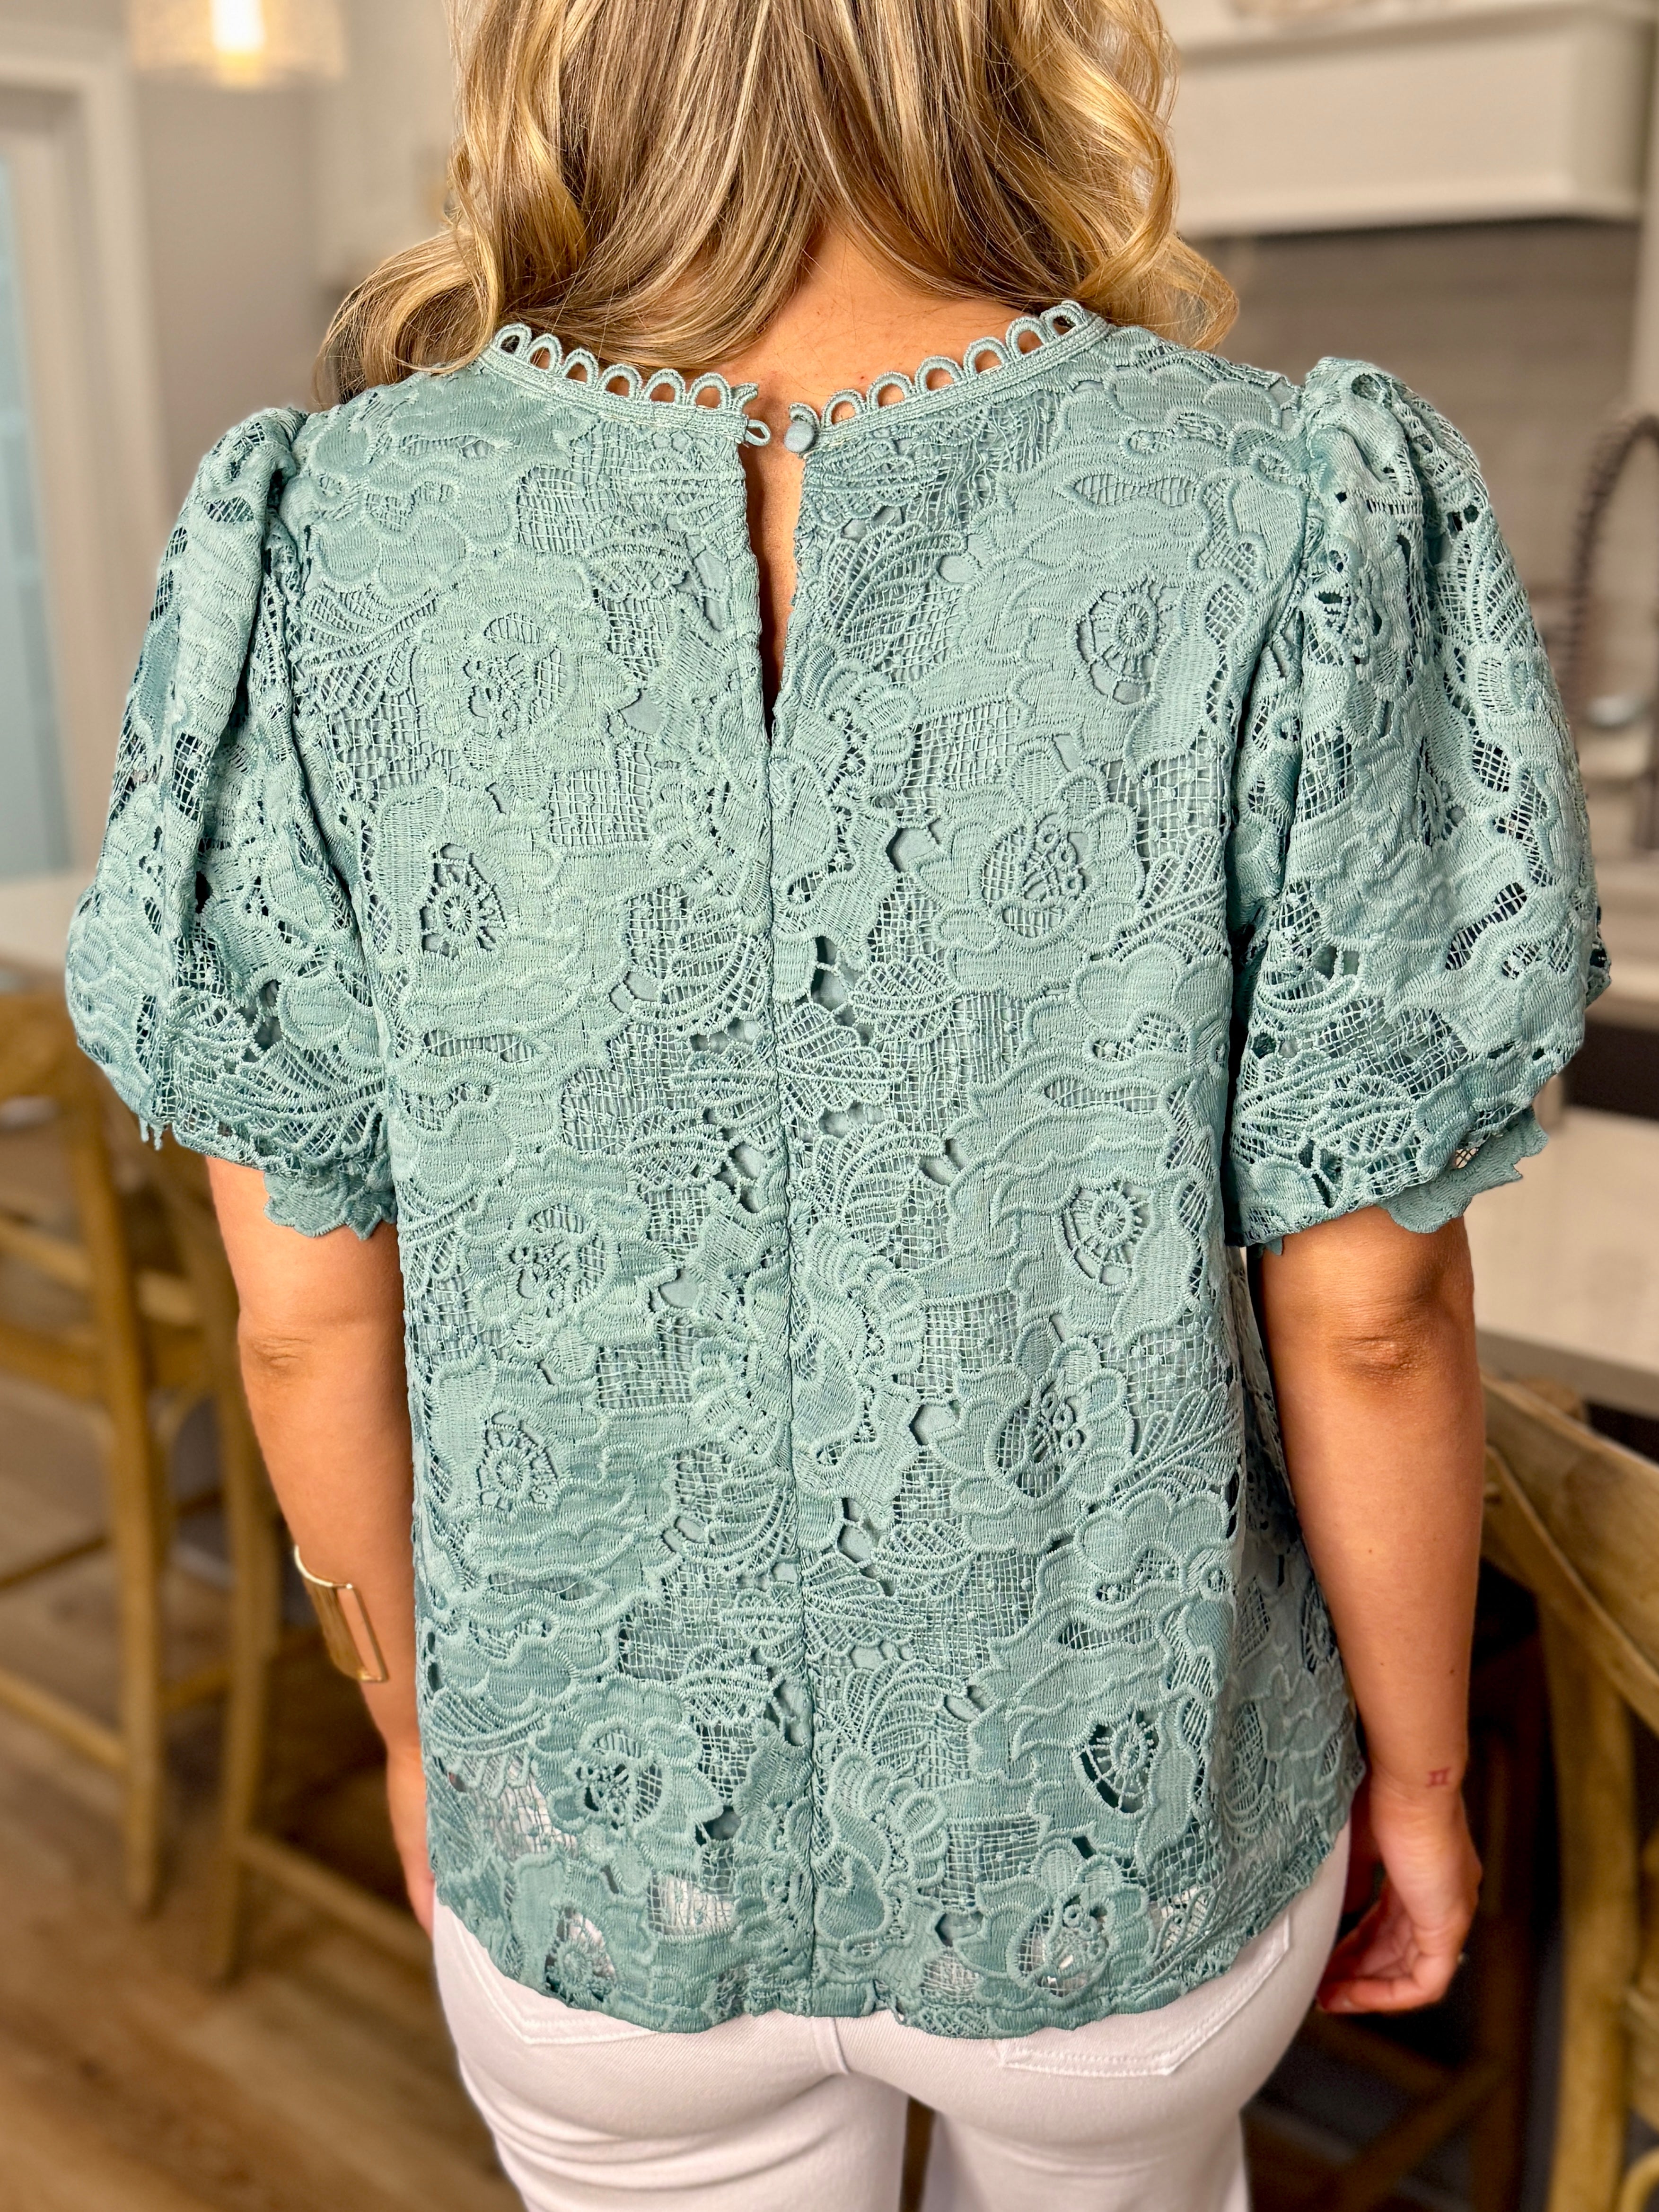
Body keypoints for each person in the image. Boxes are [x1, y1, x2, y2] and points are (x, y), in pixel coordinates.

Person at [66, 0, 1605, 2203]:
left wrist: (415, 1730)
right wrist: (1425, 1780)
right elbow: (1367, 1316)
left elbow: (307, 1319)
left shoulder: (322, 539)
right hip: (1118, 1840)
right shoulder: (1286, 506)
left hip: (596, 1843)